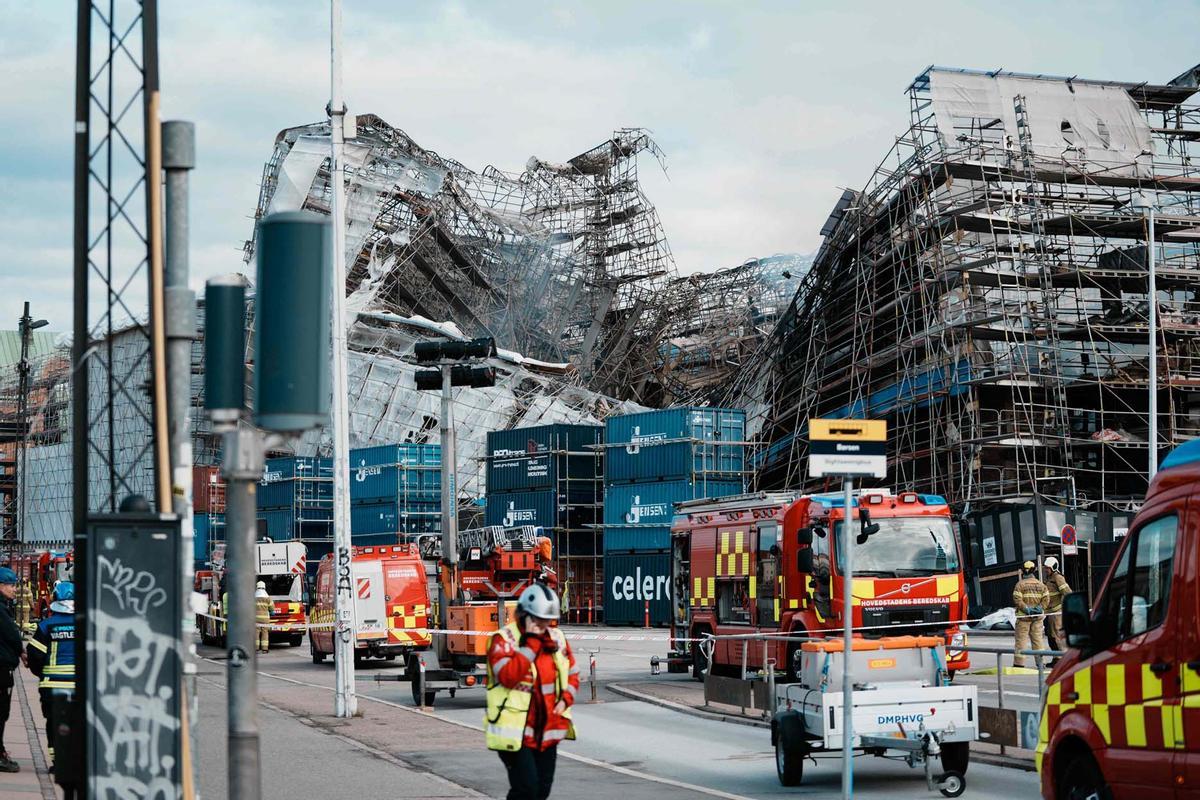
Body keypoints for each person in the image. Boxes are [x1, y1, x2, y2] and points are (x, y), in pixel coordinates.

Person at [485, 583, 579, 800]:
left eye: (548, 621)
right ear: (525, 615)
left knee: (542, 789)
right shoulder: (503, 640)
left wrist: (565, 700)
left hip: (547, 729)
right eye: (538, 620)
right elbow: (508, 677)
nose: (544, 626)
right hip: (515, 733)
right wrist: (530, 647)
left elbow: (572, 672)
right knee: (526, 789)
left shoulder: (556, 638)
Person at [25, 581, 75, 766]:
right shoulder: (84, 624)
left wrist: (42, 673)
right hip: (79, 686)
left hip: (51, 686)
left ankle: (57, 762)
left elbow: (35, 655)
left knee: (53, 723)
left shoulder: (47, 626)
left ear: (55, 598)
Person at [0, 567, 23, 772]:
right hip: (1, 669)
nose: (14, 589)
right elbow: (12, 636)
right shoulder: (0, 609)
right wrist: (22, 652)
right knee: (0, 712)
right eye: (11, 585)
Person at [1012, 560, 1049, 668]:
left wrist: (1026, 609)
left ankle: (1019, 664)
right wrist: (1039, 608)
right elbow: (1046, 599)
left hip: (1023, 619)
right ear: (1035, 570)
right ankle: (1040, 663)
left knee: (1021, 641)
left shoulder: (1019, 585)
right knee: (1038, 641)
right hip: (1037, 618)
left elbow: (1017, 599)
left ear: (1023, 571)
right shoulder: (1041, 585)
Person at [1041, 556, 1071, 653]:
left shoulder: (1058, 577)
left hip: (1056, 613)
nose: (1046, 570)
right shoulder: (1049, 578)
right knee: (1051, 637)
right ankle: (1056, 658)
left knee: (1057, 637)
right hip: (1049, 613)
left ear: (1053, 567)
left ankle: (1063, 659)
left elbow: (1067, 592)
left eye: (1047, 568)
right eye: (1045, 568)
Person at [254, 581, 272, 654]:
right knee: (265, 633)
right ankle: (264, 649)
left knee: (256, 633)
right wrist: (271, 611)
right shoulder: (267, 597)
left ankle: (256, 649)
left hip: (256, 618)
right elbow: (271, 607)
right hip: (265, 619)